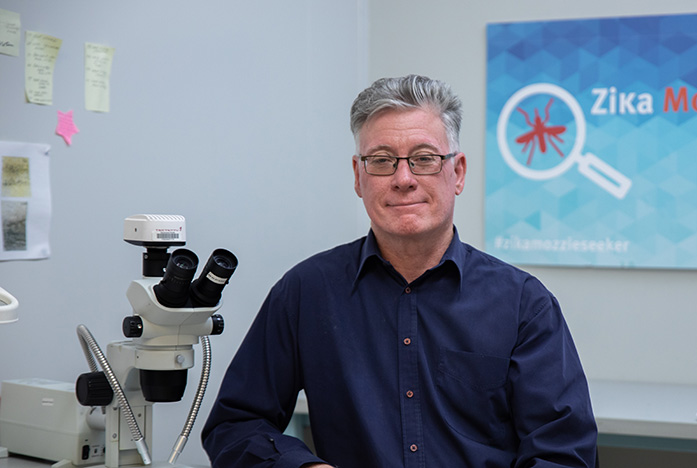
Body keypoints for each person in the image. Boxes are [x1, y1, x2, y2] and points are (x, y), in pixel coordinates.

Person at [201, 74, 598, 467]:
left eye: (424, 159)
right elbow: (236, 425)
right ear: (358, 176)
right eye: (382, 161)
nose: (403, 179)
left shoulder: (523, 304)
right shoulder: (306, 292)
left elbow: (564, 454)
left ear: (457, 173)